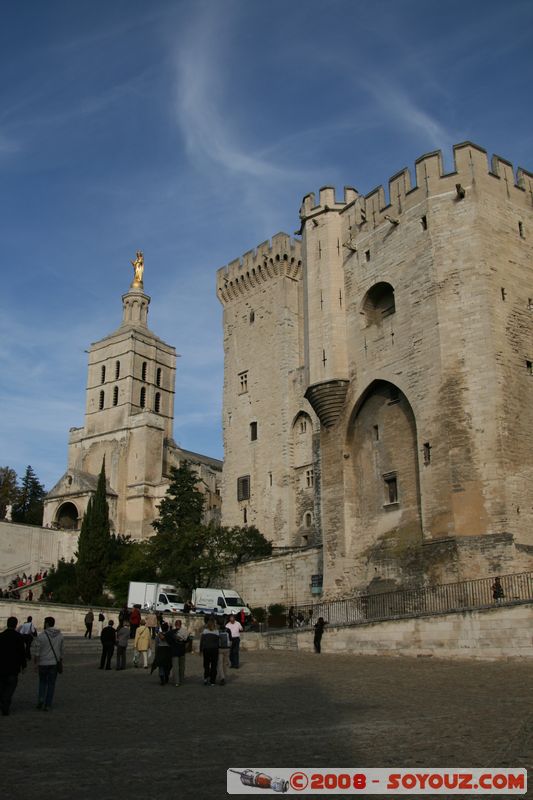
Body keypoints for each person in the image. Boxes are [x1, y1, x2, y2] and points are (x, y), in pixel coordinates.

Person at [33, 616, 64, 711]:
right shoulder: (60, 635)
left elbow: (37, 652)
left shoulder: (41, 636)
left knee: (42, 682)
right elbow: (62, 651)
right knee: (51, 684)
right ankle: (48, 704)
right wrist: (60, 661)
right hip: (54, 663)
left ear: (46, 624)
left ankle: (41, 698)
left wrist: (36, 663)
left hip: (43, 662)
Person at [0, 616, 27, 716]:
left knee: (2, 687)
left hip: (1, 667)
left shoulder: (1, 636)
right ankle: (5, 702)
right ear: (16, 625)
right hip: (13, 668)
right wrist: (24, 666)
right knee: (10, 688)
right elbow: (22, 653)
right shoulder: (19, 637)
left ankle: (3, 701)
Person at [167, 619, 188, 686]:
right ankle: (181, 679)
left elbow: (167, 639)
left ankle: (176, 681)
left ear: (175, 625)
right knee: (182, 666)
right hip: (182, 651)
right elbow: (188, 641)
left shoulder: (171, 632)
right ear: (181, 624)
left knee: (175, 667)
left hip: (174, 651)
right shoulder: (185, 632)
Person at [200, 618, 219, 686]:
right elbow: (218, 641)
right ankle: (212, 681)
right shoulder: (216, 632)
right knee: (214, 665)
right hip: (214, 649)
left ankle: (206, 678)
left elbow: (202, 641)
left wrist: (200, 650)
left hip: (206, 649)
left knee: (206, 664)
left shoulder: (205, 631)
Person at [217, 620, 231, 685]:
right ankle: (224, 677)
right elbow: (231, 640)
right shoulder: (228, 630)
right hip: (227, 648)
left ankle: (222, 677)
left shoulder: (217, 631)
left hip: (220, 649)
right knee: (225, 664)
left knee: (220, 663)